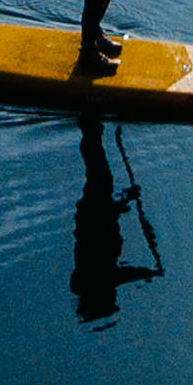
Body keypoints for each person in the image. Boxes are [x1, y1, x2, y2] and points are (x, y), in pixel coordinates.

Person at [66, 116, 159, 325]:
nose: (114, 296)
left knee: (99, 176)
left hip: (94, 216)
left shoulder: (96, 280)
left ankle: (90, 129)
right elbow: (120, 276)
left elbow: (118, 275)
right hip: (96, 216)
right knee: (99, 175)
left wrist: (147, 272)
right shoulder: (96, 281)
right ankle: (91, 130)